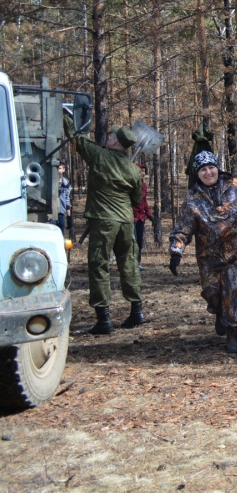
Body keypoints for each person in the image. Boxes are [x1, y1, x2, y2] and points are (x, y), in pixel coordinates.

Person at [169, 152, 237, 353]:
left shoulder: (236, 186)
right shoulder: (192, 199)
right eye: (203, 169)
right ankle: (219, 311)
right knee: (212, 293)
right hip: (209, 258)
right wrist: (176, 251)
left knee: (234, 292)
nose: (208, 172)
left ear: (218, 168)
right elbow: (183, 228)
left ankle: (233, 333)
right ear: (197, 173)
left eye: (211, 167)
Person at [64, 116, 146, 334]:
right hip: (126, 222)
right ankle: (136, 311)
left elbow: (78, 138)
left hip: (104, 220)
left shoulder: (99, 156)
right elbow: (136, 199)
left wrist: (66, 116)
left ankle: (103, 319)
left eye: (110, 135)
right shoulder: (134, 169)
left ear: (115, 142)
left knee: (99, 265)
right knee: (129, 263)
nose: (108, 137)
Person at [133, 163, 152, 271]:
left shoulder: (144, 185)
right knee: (133, 241)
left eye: (144, 171)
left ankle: (137, 263)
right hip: (132, 217)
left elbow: (144, 201)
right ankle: (131, 264)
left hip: (141, 217)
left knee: (139, 241)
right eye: (140, 171)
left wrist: (150, 215)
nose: (142, 173)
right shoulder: (131, 185)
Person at [55, 163, 71, 234]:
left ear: (63, 170)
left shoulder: (66, 183)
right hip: (51, 212)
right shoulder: (49, 181)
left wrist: (69, 217)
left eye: (59, 168)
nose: (57, 170)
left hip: (61, 212)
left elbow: (67, 199)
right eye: (56, 168)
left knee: (61, 233)